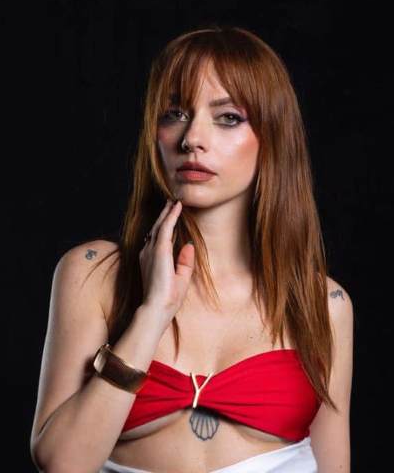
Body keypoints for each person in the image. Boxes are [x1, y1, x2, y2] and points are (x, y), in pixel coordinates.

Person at [29, 24, 354, 473]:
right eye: (175, 114)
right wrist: (152, 314)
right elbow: (61, 463)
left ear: (273, 137)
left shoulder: (323, 303)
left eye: (228, 117)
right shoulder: (93, 274)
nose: (192, 139)